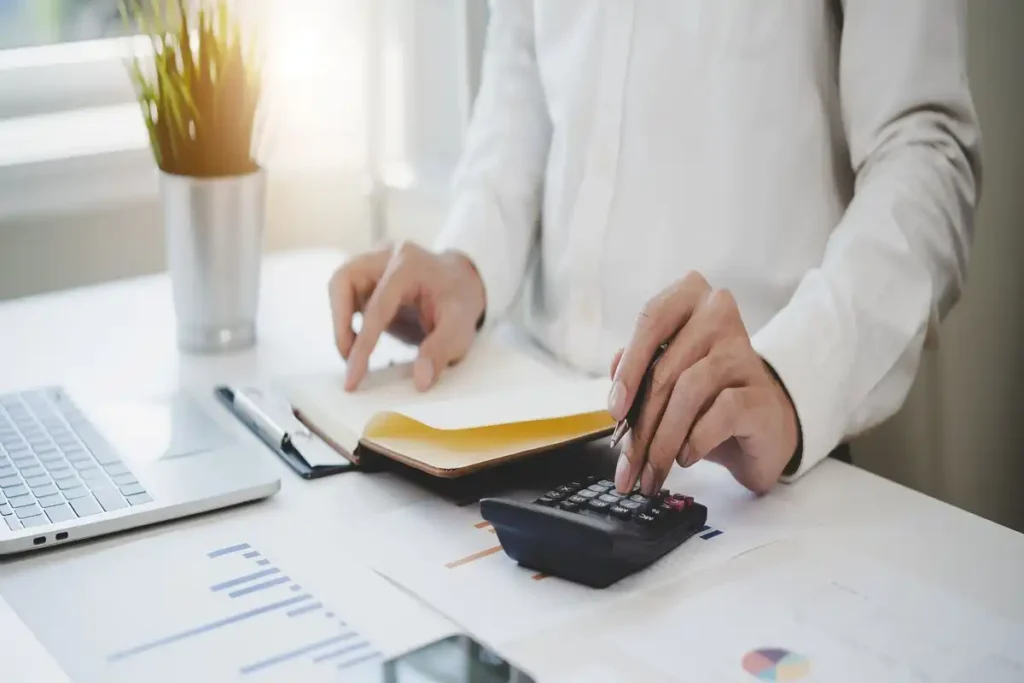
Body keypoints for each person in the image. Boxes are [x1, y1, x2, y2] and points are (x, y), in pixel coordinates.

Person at [329, 2, 981, 497]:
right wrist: (467, 260)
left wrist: (795, 376)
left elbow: (924, 146)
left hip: (745, 469)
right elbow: (524, 77)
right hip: (529, 424)